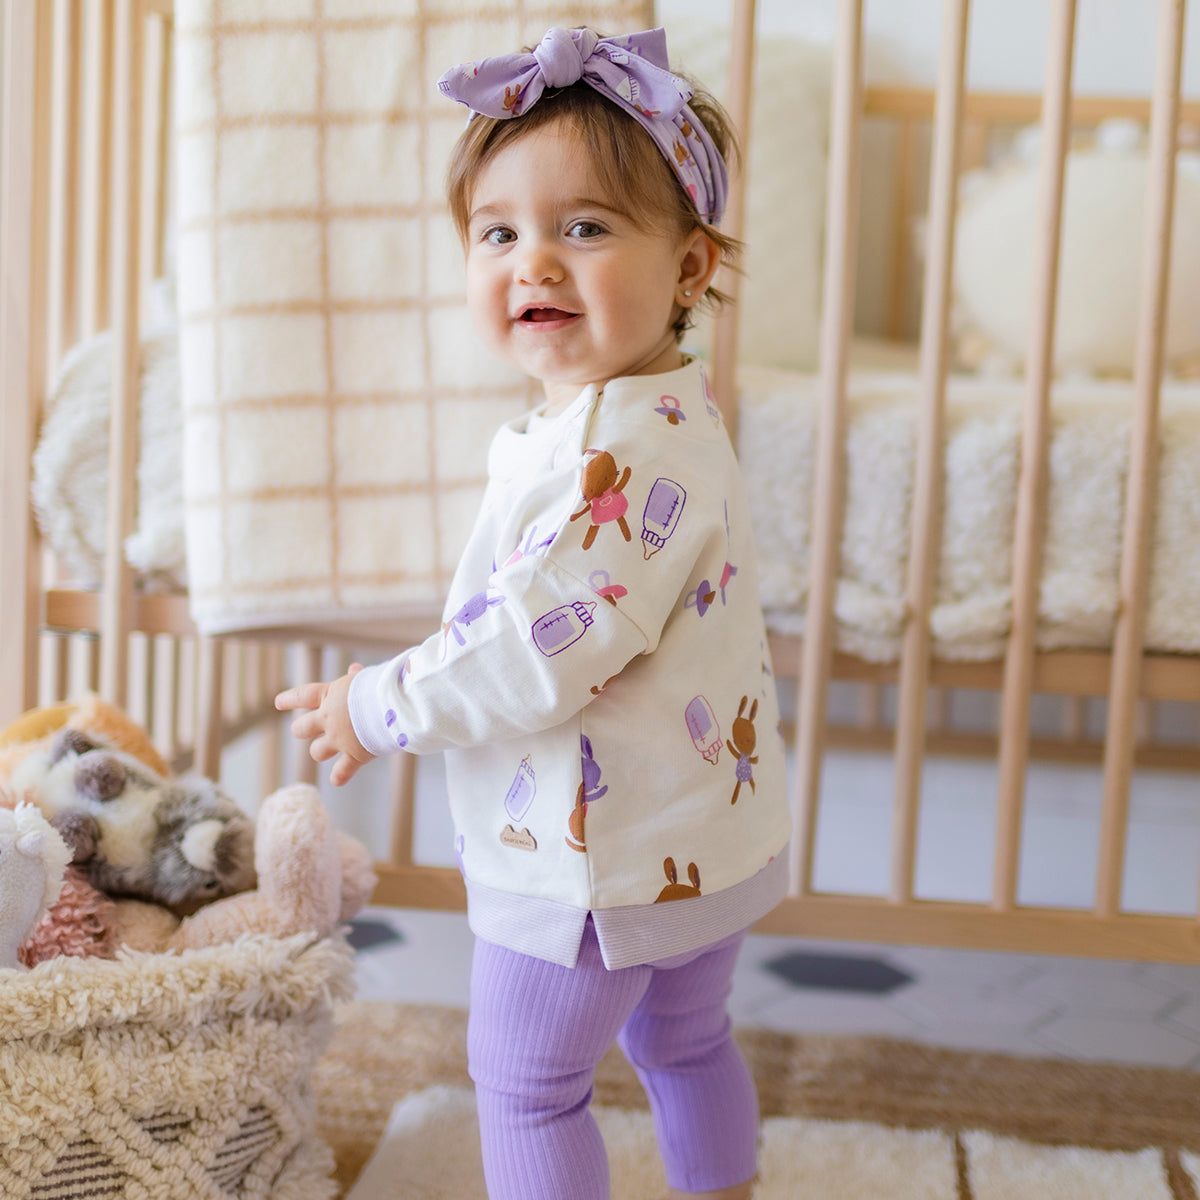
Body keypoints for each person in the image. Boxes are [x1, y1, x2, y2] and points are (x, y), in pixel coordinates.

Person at [276, 26, 791, 1200]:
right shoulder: (662, 412)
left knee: (527, 1086)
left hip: (595, 864)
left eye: (587, 228)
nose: (535, 263)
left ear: (692, 266)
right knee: (686, 1040)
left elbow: (532, 655)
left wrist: (376, 701)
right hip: (701, 831)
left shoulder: (613, 454)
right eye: (498, 232)